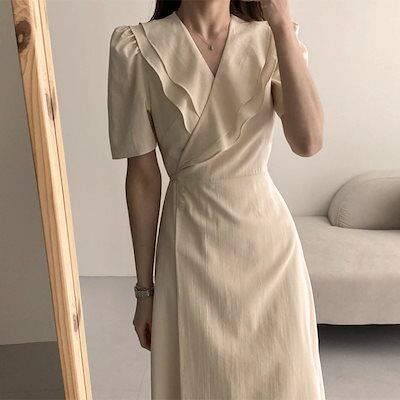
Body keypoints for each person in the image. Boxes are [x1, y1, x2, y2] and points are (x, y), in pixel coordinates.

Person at [107, 0, 326, 398]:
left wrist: (280, 25)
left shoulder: (271, 38)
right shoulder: (137, 47)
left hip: (269, 254)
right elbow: (142, 179)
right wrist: (144, 291)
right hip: (191, 248)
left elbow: (308, 142)